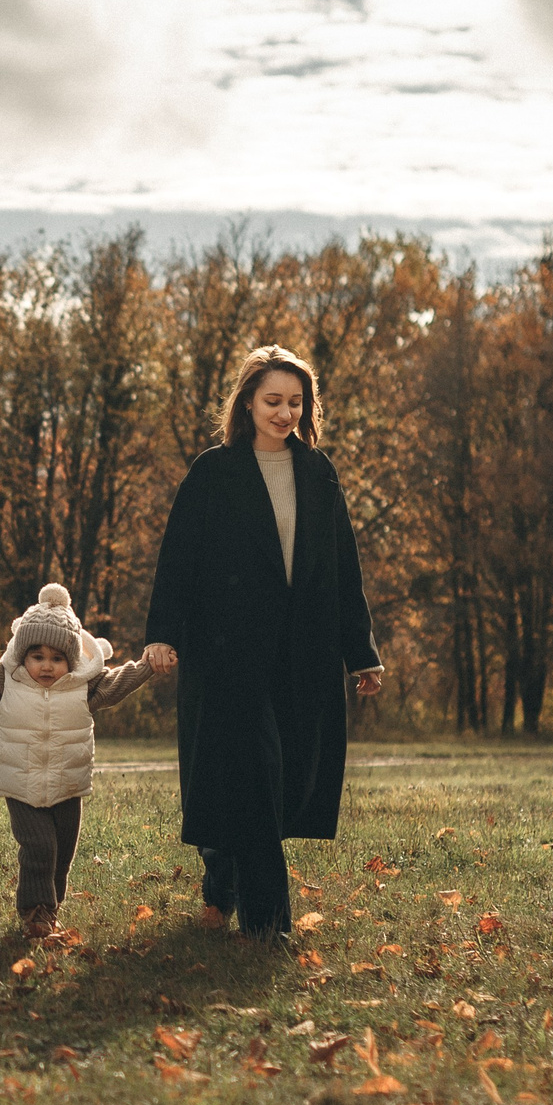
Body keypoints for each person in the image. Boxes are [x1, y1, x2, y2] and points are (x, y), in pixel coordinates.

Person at [141, 346, 385, 941]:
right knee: (251, 775)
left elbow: (342, 568)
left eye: (295, 402)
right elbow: (178, 559)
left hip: (304, 654)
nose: (284, 413)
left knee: (278, 781)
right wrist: (162, 635)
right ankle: (268, 927)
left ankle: (220, 880)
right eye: (272, 400)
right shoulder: (213, 472)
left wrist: (361, 652)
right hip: (228, 654)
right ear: (247, 402)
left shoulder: (319, 473)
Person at [0, 583, 153, 939]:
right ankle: (34, 912)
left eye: (57, 658)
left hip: (68, 786)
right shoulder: (4, 682)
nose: (47, 666)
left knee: (61, 856)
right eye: (38, 656)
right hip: (22, 786)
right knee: (39, 847)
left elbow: (120, 681)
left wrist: (149, 666)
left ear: (71, 661)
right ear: (22, 655)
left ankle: (50, 908)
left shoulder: (83, 687)